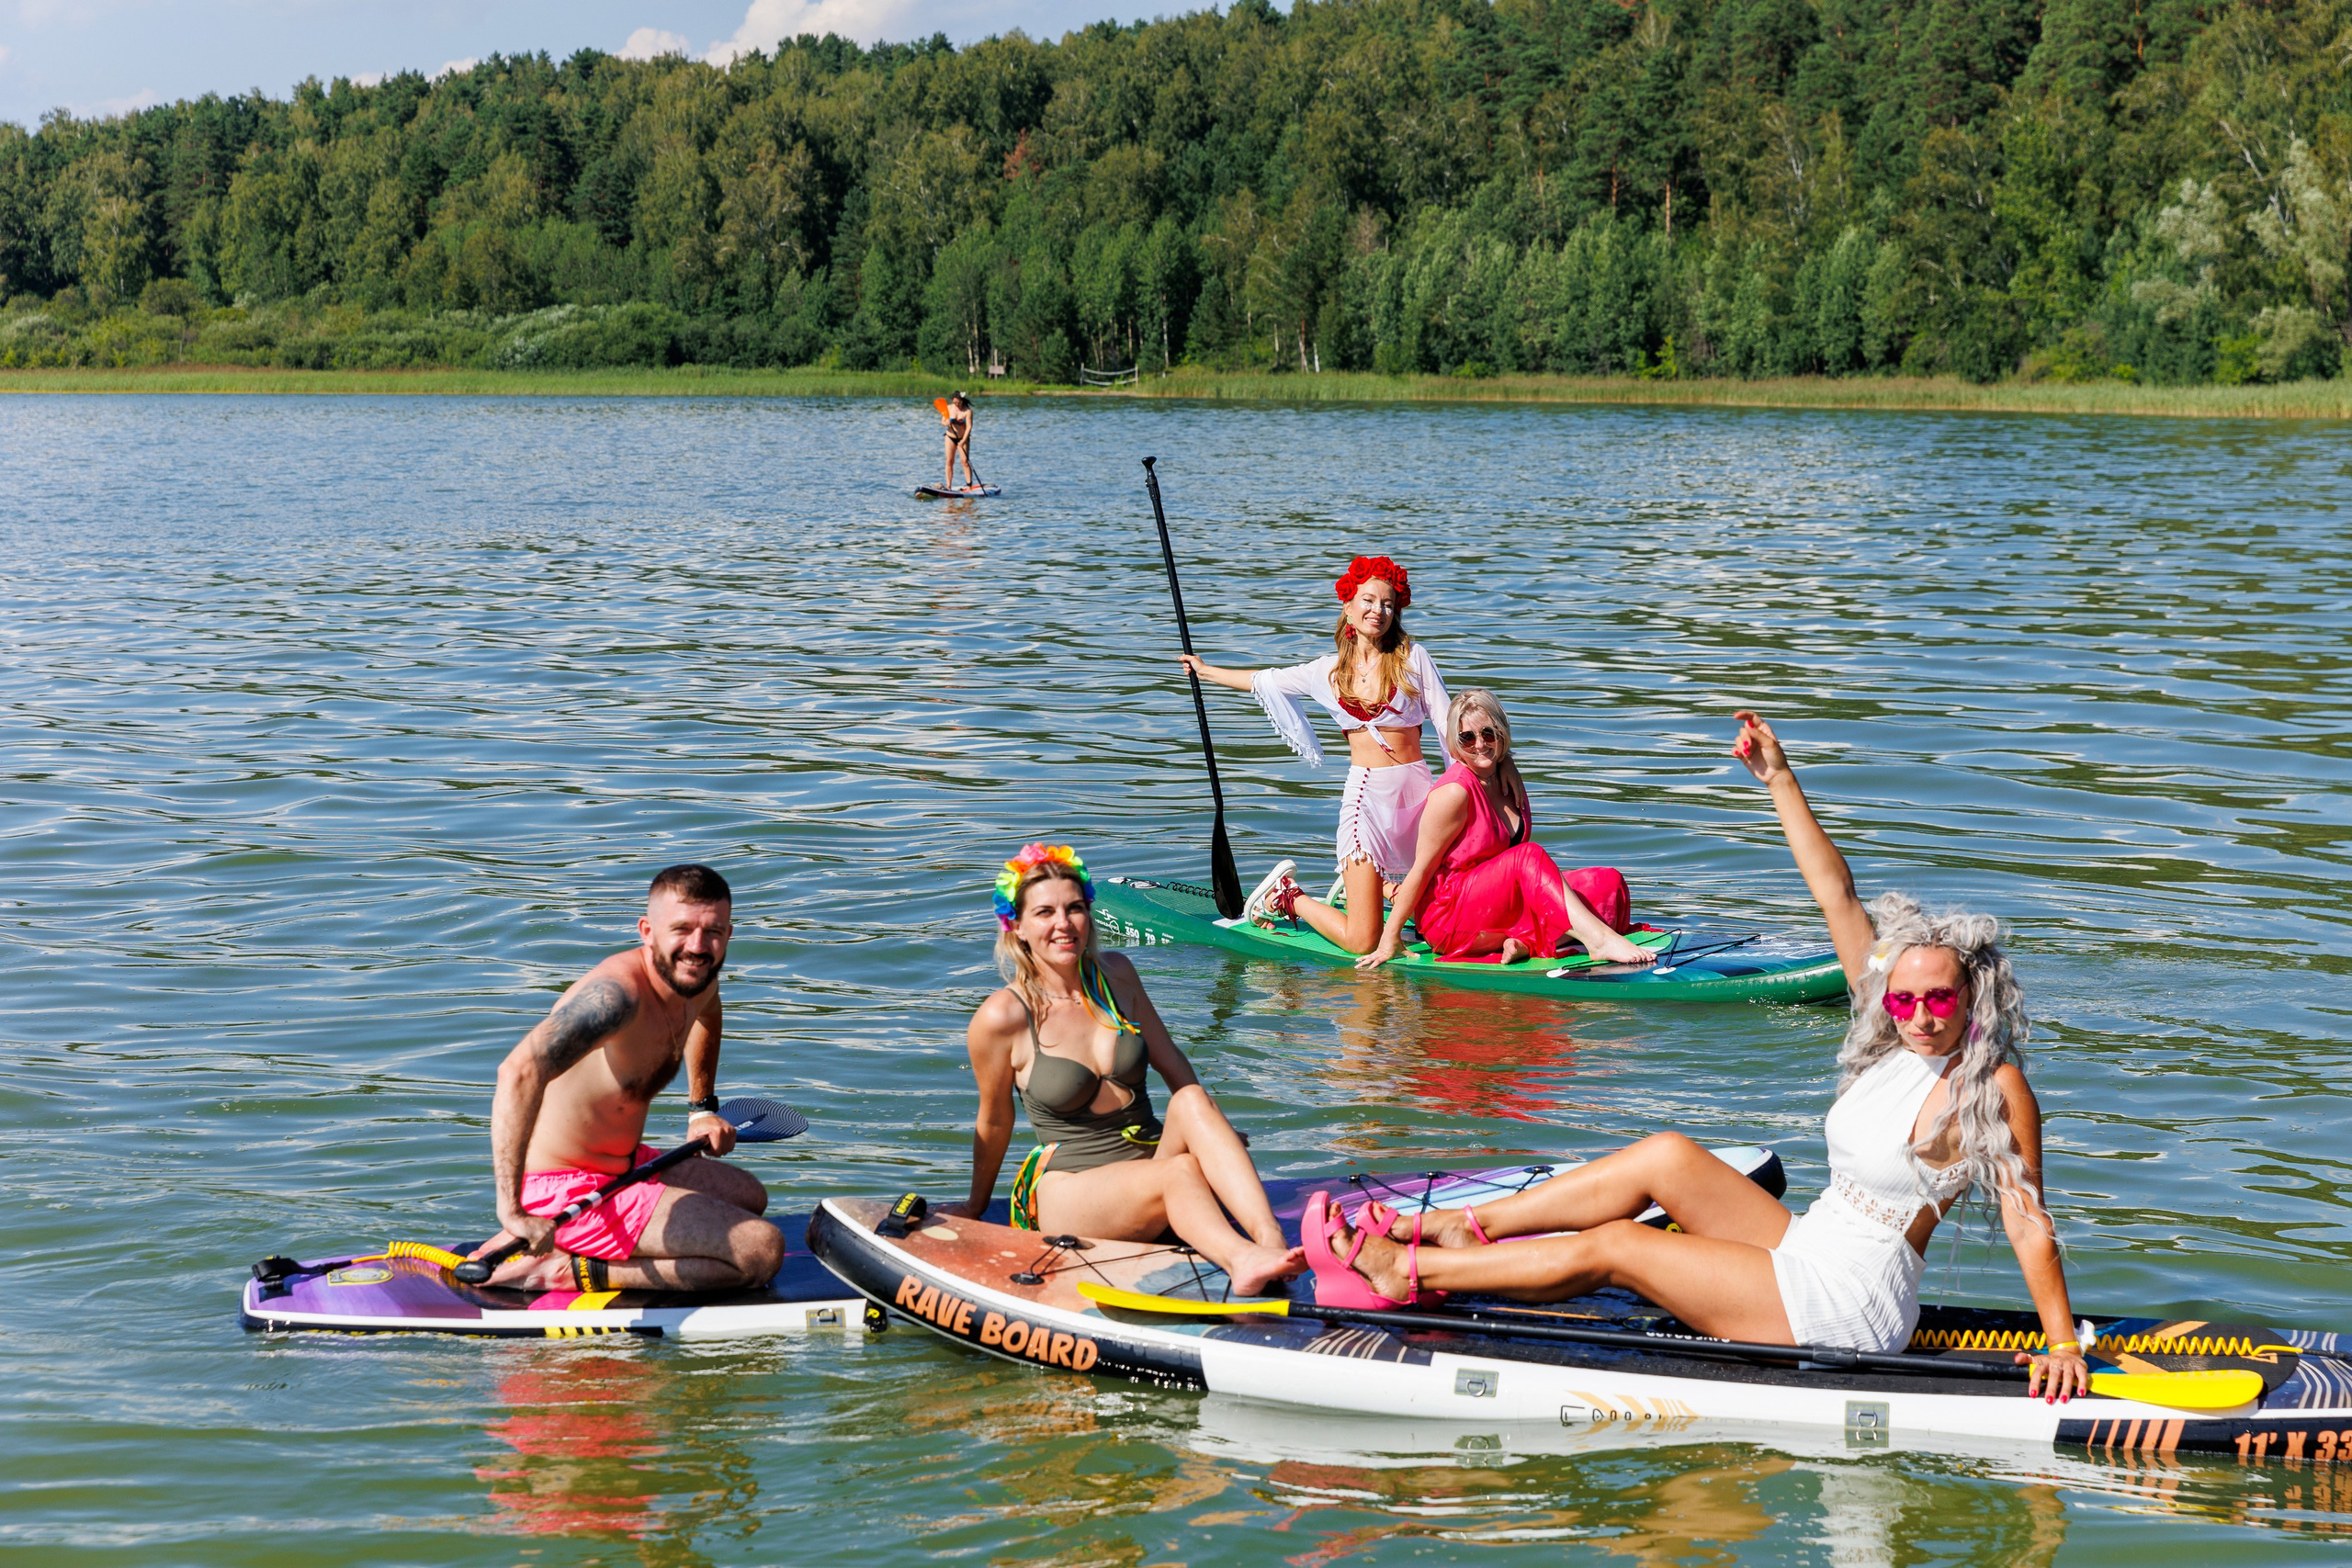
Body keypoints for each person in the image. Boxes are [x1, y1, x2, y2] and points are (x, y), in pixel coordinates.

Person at [1301, 712, 2091, 1402]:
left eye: (1939, 1000)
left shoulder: (1990, 1083)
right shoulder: (1887, 1036)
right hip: (1810, 1242)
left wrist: (2060, 1341)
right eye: (1905, 998)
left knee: (1622, 1248)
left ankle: (1405, 1271)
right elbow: (1836, 896)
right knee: (1668, 1158)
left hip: (1851, 1300)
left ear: (1972, 997)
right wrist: (1778, 778)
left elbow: (2028, 1223)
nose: (1919, 1015)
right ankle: (1448, 1228)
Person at [941, 842, 1304, 1295]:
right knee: (1180, 1174)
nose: (1063, 924)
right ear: (1016, 926)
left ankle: (1269, 1242)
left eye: (1074, 908)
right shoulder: (1003, 1018)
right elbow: (994, 1120)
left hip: (1153, 1159)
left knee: (1190, 1103)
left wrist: (1214, 1134)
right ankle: (1242, 1260)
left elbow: (1171, 1060)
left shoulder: (1116, 975)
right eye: (1044, 913)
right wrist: (975, 1207)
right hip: (1072, 1191)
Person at [468, 864, 783, 1292]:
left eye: (713, 931)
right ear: (646, 931)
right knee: (760, 1250)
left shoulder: (698, 979)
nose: (697, 946)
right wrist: (512, 1210)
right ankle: (561, 1270)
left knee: (750, 1196)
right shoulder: (616, 998)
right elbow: (518, 1072)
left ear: (729, 934)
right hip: (564, 1187)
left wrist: (701, 1110)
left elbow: (708, 1013)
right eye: (682, 929)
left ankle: (580, 1244)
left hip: (622, 1164)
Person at [1178, 554, 1449, 954]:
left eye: (1389, 604)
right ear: (1348, 607)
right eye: (1369, 601)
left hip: (1421, 800)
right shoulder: (1326, 672)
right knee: (1362, 942)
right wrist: (1204, 671)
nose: (1379, 610)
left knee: (1439, 919)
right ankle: (1289, 896)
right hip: (1368, 804)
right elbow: (1261, 680)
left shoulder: (1413, 658)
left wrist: (1470, 787)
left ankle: (1377, 888)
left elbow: (1447, 726)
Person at [1357, 688, 1657, 969]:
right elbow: (1420, 870)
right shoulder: (1453, 794)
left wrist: (1506, 761)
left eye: (1489, 733)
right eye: (1467, 738)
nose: (1480, 744)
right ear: (1454, 743)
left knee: (1607, 885)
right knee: (1529, 855)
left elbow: (1517, 875)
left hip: (1498, 905)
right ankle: (1598, 941)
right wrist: (1390, 937)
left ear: (1501, 733)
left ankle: (1525, 943)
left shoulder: (1506, 777)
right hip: (1450, 917)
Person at [941, 391, 978, 490]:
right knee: (949, 461)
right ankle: (949, 486)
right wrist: (947, 422)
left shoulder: (968, 411)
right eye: (954, 403)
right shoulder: (949, 408)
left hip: (963, 438)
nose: (956, 405)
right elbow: (943, 422)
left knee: (965, 461)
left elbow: (969, 427)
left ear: (962, 400)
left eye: (958, 402)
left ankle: (969, 486)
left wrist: (963, 441)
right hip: (950, 437)